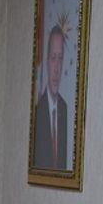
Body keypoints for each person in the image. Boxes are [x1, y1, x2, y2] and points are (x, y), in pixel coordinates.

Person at [32, 25, 68, 170]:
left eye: (60, 58)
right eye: (53, 58)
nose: (56, 68)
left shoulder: (64, 109)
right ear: (46, 61)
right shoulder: (37, 110)